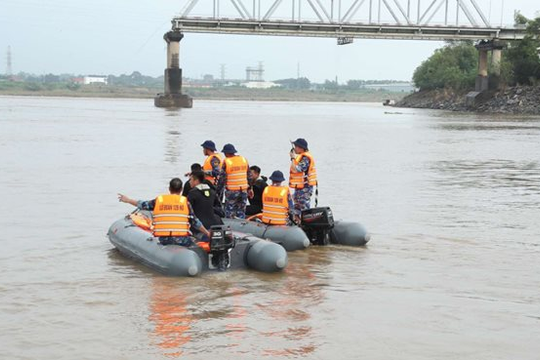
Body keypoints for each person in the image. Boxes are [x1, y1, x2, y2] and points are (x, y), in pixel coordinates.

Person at [117, 177, 211, 246]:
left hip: (163, 239)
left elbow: (142, 204)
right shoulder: (185, 203)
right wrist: (207, 233)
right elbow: (195, 222)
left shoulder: (159, 200)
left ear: (169, 189)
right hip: (181, 239)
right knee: (196, 241)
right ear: (181, 189)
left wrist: (128, 200)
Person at [216, 143, 251, 219]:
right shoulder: (243, 160)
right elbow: (249, 176)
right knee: (241, 211)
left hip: (232, 192)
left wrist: (217, 191)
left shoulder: (226, 161)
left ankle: (231, 227)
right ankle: (241, 227)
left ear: (226, 153)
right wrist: (250, 188)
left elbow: (222, 178)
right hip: (244, 191)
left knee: (229, 212)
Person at [289, 138, 317, 222]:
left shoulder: (305, 158)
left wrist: (293, 158)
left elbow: (297, 169)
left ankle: (305, 223)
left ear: (301, 148)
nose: (294, 149)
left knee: (302, 206)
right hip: (300, 188)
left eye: (296, 147)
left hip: (305, 188)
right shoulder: (302, 157)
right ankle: (297, 221)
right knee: (297, 205)